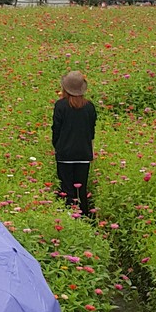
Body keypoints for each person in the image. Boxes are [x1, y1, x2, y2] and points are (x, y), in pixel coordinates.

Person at [51, 70, 96, 215]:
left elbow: (56, 130)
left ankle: (69, 217)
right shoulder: (89, 107)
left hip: (65, 153)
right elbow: (91, 131)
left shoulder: (60, 106)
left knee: (67, 189)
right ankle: (85, 218)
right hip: (84, 153)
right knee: (81, 190)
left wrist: (57, 146)